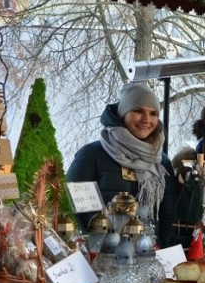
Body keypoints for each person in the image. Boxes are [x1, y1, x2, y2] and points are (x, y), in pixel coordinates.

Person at [67, 83, 179, 248]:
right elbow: (75, 210)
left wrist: (165, 251)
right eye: (138, 111)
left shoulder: (161, 162)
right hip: (102, 256)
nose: (146, 119)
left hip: (149, 256)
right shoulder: (91, 155)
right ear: (122, 114)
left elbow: (169, 216)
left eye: (153, 113)